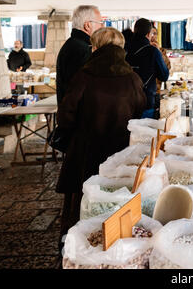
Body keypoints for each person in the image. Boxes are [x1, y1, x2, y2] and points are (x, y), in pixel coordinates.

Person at [55, 27, 146, 253]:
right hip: (121, 153)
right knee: (115, 200)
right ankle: (117, 243)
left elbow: (65, 116)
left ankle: (77, 244)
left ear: (95, 47)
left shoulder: (83, 76)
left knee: (81, 201)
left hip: (86, 151)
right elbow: (140, 111)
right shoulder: (133, 78)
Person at [56, 5, 104, 104]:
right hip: (80, 115)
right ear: (87, 25)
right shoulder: (83, 49)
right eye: (100, 23)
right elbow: (83, 88)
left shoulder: (74, 44)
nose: (103, 27)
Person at [125, 18, 169, 119]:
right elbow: (164, 75)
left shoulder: (124, 48)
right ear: (148, 34)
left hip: (126, 100)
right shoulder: (153, 51)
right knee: (145, 133)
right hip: (146, 100)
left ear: (134, 31)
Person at [147, 26, 171, 116]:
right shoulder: (144, 50)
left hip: (157, 90)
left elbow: (167, 67)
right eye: (151, 34)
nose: (153, 36)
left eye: (155, 34)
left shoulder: (161, 50)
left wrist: (158, 53)